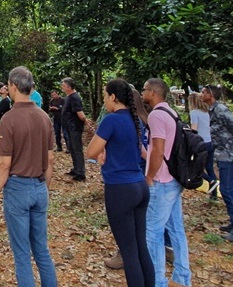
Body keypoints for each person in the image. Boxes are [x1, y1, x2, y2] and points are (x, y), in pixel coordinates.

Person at [0, 66, 57, 287]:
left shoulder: (9, 119)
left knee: (22, 254)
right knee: (42, 250)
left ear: (14, 86)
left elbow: (4, 163)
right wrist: (44, 187)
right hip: (40, 186)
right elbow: (51, 159)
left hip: (18, 189)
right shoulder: (44, 117)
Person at [85, 79, 154, 287]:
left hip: (120, 189)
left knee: (129, 252)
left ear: (113, 97)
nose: (104, 101)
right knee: (141, 247)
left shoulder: (111, 120)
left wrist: (101, 152)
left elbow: (90, 151)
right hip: (140, 186)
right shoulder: (136, 119)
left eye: (105, 96)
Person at [142, 78, 191, 287]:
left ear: (153, 93)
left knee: (153, 232)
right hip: (174, 179)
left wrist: (149, 176)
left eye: (144, 90)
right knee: (176, 229)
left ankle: (158, 281)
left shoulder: (156, 115)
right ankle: (182, 277)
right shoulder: (171, 112)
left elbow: (158, 150)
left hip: (161, 181)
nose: (142, 93)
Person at [202, 85, 233, 243]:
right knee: (231, 190)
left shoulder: (221, 109)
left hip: (230, 155)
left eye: (203, 92)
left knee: (228, 190)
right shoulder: (211, 110)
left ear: (210, 94)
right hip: (223, 155)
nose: (201, 94)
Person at [189, 92, 217, 199]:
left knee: (195, 167)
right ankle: (214, 195)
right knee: (209, 167)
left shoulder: (194, 113)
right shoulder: (207, 113)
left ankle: (211, 181)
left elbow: (194, 130)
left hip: (200, 144)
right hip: (210, 142)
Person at [60, 78, 88, 182]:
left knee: (77, 149)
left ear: (69, 87)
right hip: (69, 127)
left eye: (63, 85)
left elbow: (80, 113)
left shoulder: (75, 97)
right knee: (72, 148)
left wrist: (85, 120)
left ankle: (81, 172)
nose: (62, 87)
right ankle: (76, 169)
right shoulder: (69, 97)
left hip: (75, 127)